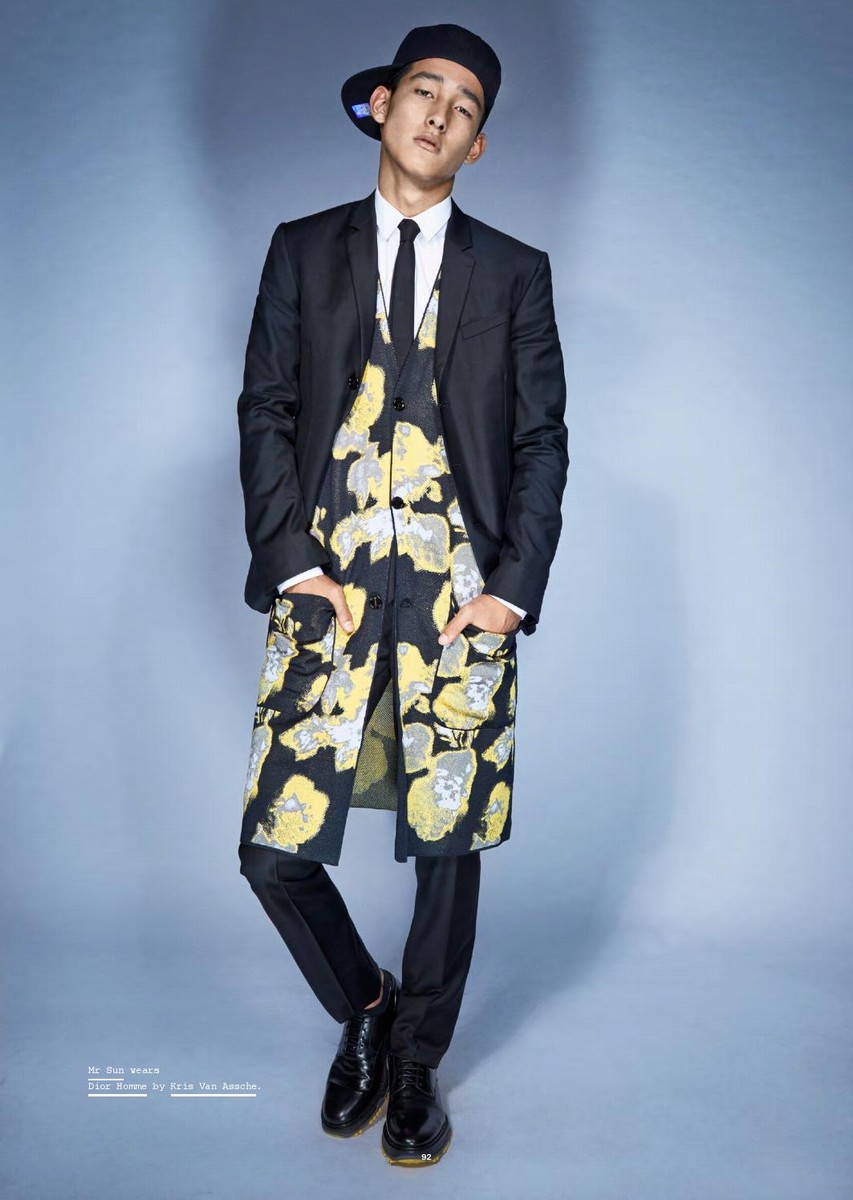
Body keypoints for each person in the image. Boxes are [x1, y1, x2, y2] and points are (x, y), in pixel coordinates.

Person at [236, 23, 569, 1167]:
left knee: (446, 841)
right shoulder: (301, 250)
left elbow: (541, 442)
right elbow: (266, 410)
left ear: (477, 147)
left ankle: (418, 1061)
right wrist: (291, 560)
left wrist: (512, 591)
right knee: (275, 854)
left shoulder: (514, 273)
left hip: (457, 599)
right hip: (325, 586)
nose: (440, 112)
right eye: (424, 90)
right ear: (380, 106)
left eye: (465, 107)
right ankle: (369, 1007)